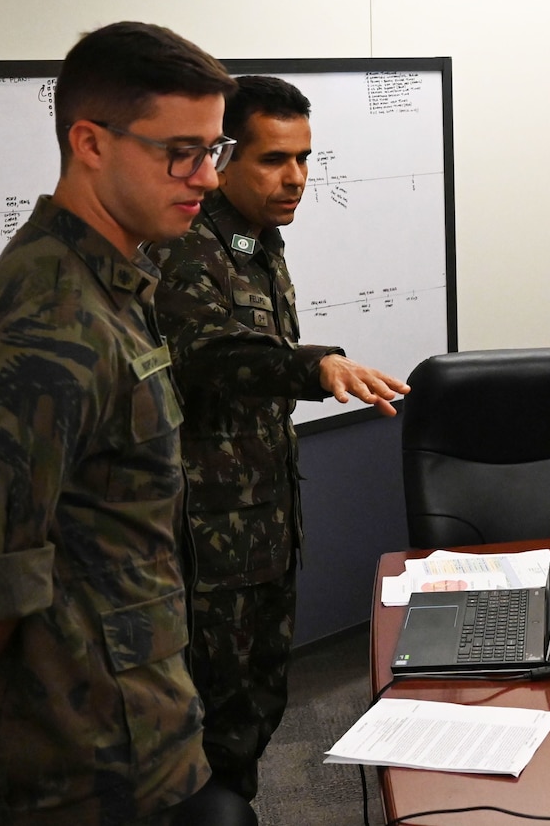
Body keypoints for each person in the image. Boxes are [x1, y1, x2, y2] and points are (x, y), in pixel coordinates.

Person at [0, 22, 236, 824]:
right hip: (83, 761)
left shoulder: (101, 279)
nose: (208, 178)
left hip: (130, 718)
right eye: (183, 151)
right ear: (91, 142)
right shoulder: (55, 321)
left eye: (217, 148)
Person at [153, 75, 409, 799]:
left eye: (304, 157)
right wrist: (317, 364)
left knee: (257, 713)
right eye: (273, 159)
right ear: (224, 155)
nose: (295, 176)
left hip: (263, 528)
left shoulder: (255, 241)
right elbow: (210, 352)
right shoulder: (186, 244)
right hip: (206, 547)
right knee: (211, 732)